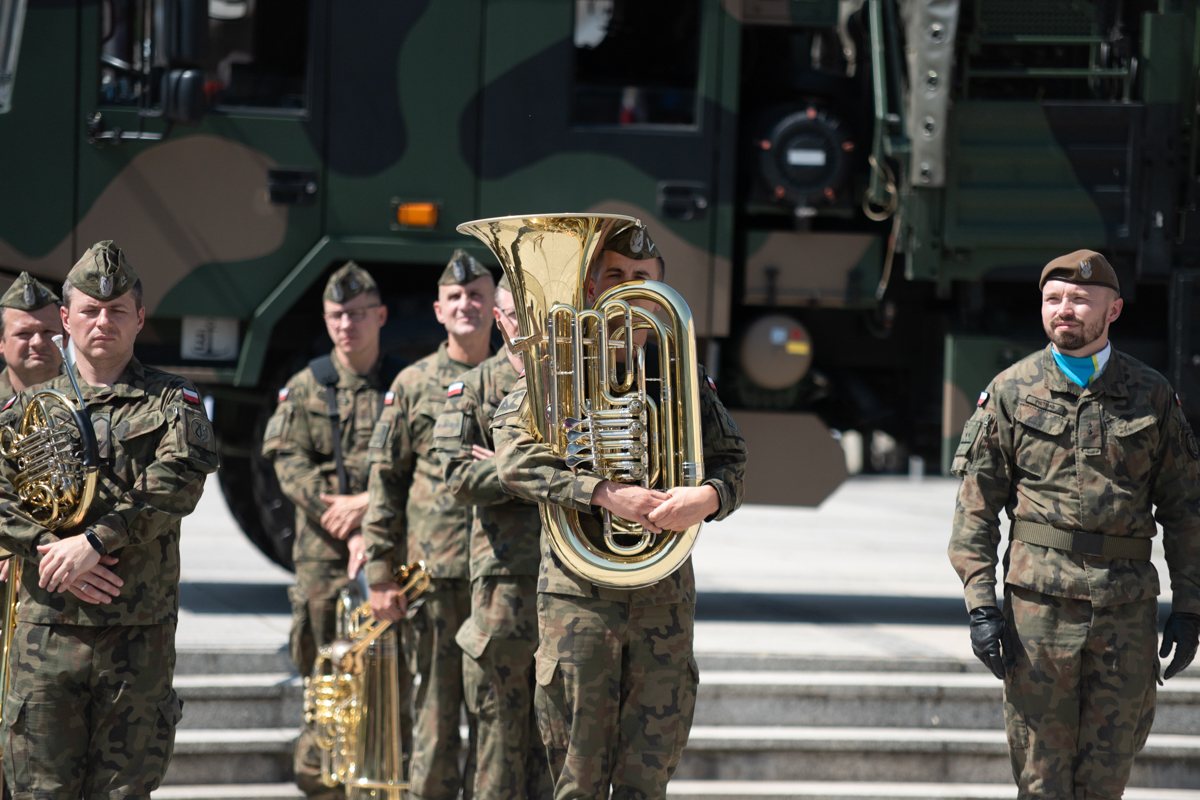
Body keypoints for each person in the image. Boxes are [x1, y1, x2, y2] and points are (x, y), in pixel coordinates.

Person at [490, 224, 748, 799]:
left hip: (663, 599)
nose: (630, 291)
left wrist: (702, 498)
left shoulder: (681, 378)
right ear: (589, 287)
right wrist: (605, 493)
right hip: (578, 601)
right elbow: (513, 461)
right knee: (576, 784)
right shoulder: (550, 378)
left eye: (643, 280)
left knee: (646, 781)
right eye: (616, 277)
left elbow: (732, 462)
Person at [949, 249, 1200, 798]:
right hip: (1038, 613)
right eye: (1054, 299)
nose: (1065, 310)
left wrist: (1189, 608)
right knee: (1041, 779)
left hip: (1126, 613)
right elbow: (975, 511)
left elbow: (1186, 511)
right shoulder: (1012, 392)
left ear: (1113, 310)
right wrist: (981, 607)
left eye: (1080, 299)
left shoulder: (1152, 394)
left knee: (1108, 778)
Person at [0, 240, 219, 798]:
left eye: (117, 309)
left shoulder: (176, 401)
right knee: (38, 790)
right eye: (90, 310)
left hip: (137, 635)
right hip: (47, 632)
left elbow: (178, 482)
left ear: (140, 318)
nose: (104, 321)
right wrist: (56, 551)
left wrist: (95, 542)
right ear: (65, 320)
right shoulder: (23, 410)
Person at [261, 261, 405, 800]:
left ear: (381, 316)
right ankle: (321, 781)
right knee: (324, 662)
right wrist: (338, 519)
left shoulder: (404, 384)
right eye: (337, 315)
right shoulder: (305, 387)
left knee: (393, 662)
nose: (348, 324)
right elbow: (286, 463)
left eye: (359, 314)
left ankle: (387, 773)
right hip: (323, 554)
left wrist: (367, 510)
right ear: (326, 320)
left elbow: (423, 465)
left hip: (391, 547)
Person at [362, 249, 496, 800]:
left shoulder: (522, 379)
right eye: (455, 298)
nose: (467, 305)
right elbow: (386, 482)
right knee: (437, 720)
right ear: (438, 311)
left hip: (505, 578)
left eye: (477, 296)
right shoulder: (414, 384)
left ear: (496, 306)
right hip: (434, 578)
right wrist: (378, 572)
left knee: (498, 723)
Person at [434, 274, 551, 800]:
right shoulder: (474, 388)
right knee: (498, 755)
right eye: (521, 315)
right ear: (501, 321)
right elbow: (458, 478)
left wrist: (507, 467)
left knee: (559, 753)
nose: (534, 327)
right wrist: (540, 470)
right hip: (503, 592)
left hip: (573, 585)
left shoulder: (578, 386)